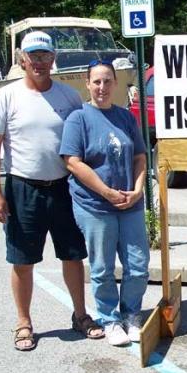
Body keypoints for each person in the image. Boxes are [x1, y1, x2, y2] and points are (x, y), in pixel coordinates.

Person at [0, 31, 104, 352]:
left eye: (44, 55)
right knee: (22, 261)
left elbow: (84, 142)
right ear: (22, 59)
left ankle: (80, 315)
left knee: (73, 255)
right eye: (33, 56)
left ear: (54, 59)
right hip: (23, 188)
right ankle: (24, 322)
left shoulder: (69, 97)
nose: (39, 62)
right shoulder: (4, 97)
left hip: (65, 188)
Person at [60, 59, 150, 347]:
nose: (102, 87)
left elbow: (140, 157)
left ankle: (131, 314)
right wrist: (106, 192)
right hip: (95, 206)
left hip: (130, 204)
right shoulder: (78, 119)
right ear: (87, 84)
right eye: (96, 81)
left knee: (138, 265)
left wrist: (137, 190)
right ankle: (109, 319)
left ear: (115, 83)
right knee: (102, 268)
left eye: (107, 81)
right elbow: (72, 162)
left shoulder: (126, 117)